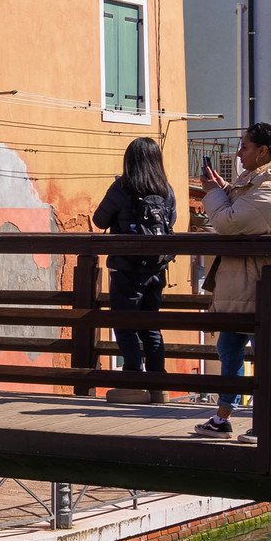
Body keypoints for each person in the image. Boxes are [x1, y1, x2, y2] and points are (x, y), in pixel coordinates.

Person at [195, 122, 271, 438]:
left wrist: (212, 195)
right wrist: (225, 191)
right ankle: (223, 417)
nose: (238, 153)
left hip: (264, 285)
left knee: (267, 356)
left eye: (245, 146)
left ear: (263, 151)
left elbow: (231, 222)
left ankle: (269, 423)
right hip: (246, 282)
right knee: (230, 347)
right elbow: (242, 213)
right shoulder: (261, 182)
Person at [92, 136, 176, 403]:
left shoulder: (121, 188)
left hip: (126, 268)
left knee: (125, 325)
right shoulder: (166, 190)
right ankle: (157, 386)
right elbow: (171, 222)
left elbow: (98, 219)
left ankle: (132, 383)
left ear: (130, 160)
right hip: (156, 270)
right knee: (150, 326)